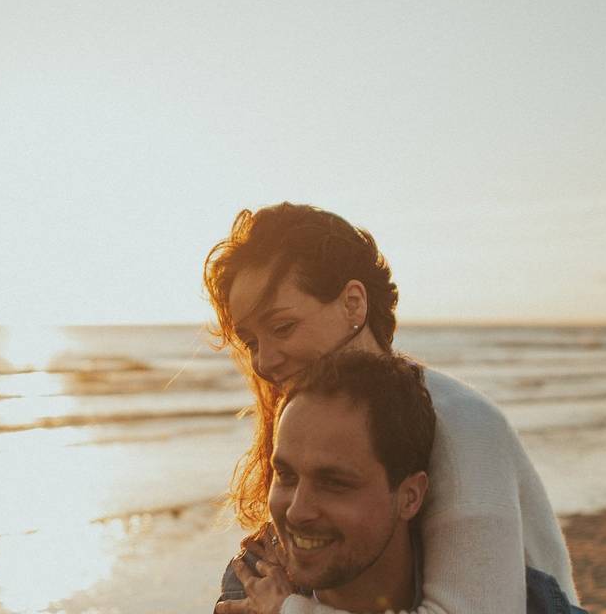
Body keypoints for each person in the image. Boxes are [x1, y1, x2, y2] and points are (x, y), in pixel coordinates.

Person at [204, 202, 580, 613]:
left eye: (282, 328)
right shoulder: (311, 422)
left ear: (352, 304)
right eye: (252, 342)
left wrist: (285, 610)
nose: (264, 362)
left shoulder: (460, 423)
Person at [215, 350, 585, 614]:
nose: (297, 510)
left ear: (410, 496)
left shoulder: (523, 603)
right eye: (286, 475)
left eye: (335, 482)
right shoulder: (248, 592)